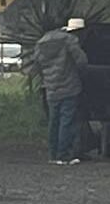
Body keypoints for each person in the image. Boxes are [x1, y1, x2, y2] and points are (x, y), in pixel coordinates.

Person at [35, 18, 89, 165]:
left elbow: (37, 65)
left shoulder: (41, 42)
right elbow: (81, 60)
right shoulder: (69, 40)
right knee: (67, 120)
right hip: (69, 86)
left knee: (54, 121)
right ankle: (64, 154)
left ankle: (53, 155)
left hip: (51, 88)